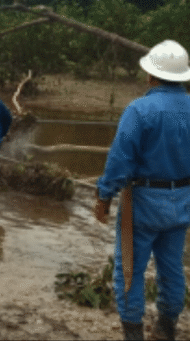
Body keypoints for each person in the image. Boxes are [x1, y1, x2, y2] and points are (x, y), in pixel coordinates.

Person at [95, 39, 190, 341]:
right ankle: (166, 327)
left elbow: (120, 160)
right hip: (183, 202)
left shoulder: (140, 110)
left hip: (143, 203)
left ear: (151, 76)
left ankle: (133, 333)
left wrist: (103, 196)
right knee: (172, 266)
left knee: (129, 270)